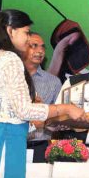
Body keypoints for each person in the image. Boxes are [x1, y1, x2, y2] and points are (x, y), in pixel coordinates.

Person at [0, 9, 87, 178]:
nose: (28, 39)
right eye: (26, 32)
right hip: (3, 138)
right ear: (10, 30)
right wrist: (66, 108)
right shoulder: (10, 58)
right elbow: (24, 110)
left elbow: (11, 112)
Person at [23, 32, 62, 163]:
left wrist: (45, 114)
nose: (40, 51)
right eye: (34, 45)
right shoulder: (11, 76)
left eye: (43, 47)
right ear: (22, 48)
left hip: (40, 147)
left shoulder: (54, 82)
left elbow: (60, 120)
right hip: (11, 144)